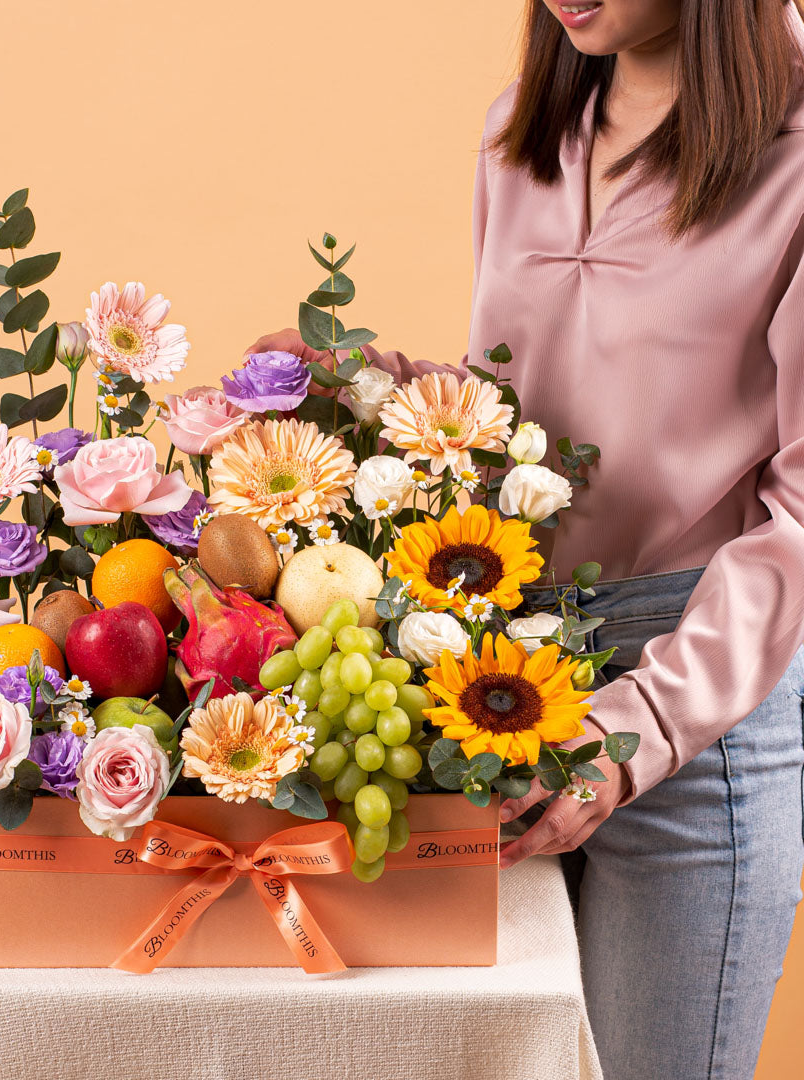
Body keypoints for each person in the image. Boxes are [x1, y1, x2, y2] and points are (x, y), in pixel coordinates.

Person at [245, 2, 804, 1076]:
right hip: (502, 679)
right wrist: (366, 385)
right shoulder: (527, 135)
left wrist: (633, 728)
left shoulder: (796, 162)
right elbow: (523, 423)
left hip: (693, 704)